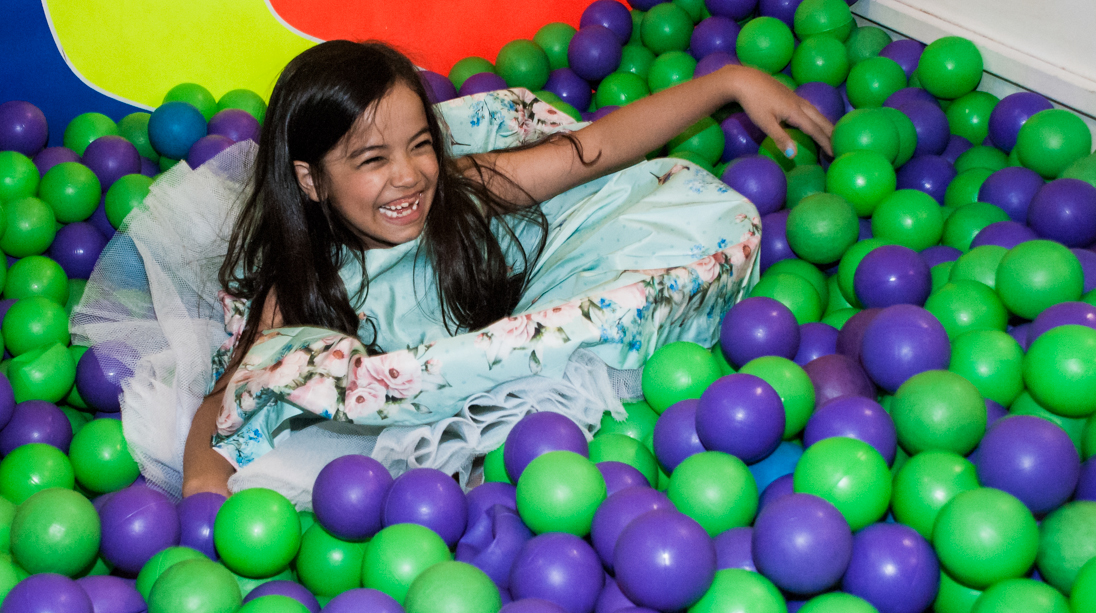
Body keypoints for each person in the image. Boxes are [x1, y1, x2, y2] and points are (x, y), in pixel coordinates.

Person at [73, 40, 832, 504]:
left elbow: (593, 150)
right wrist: (205, 491)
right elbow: (225, 398)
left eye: (419, 145)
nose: (407, 177)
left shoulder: (462, 195)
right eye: (370, 160)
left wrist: (726, 82)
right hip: (385, 425)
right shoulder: (301, 283)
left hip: (505, 354)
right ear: (311, 181)